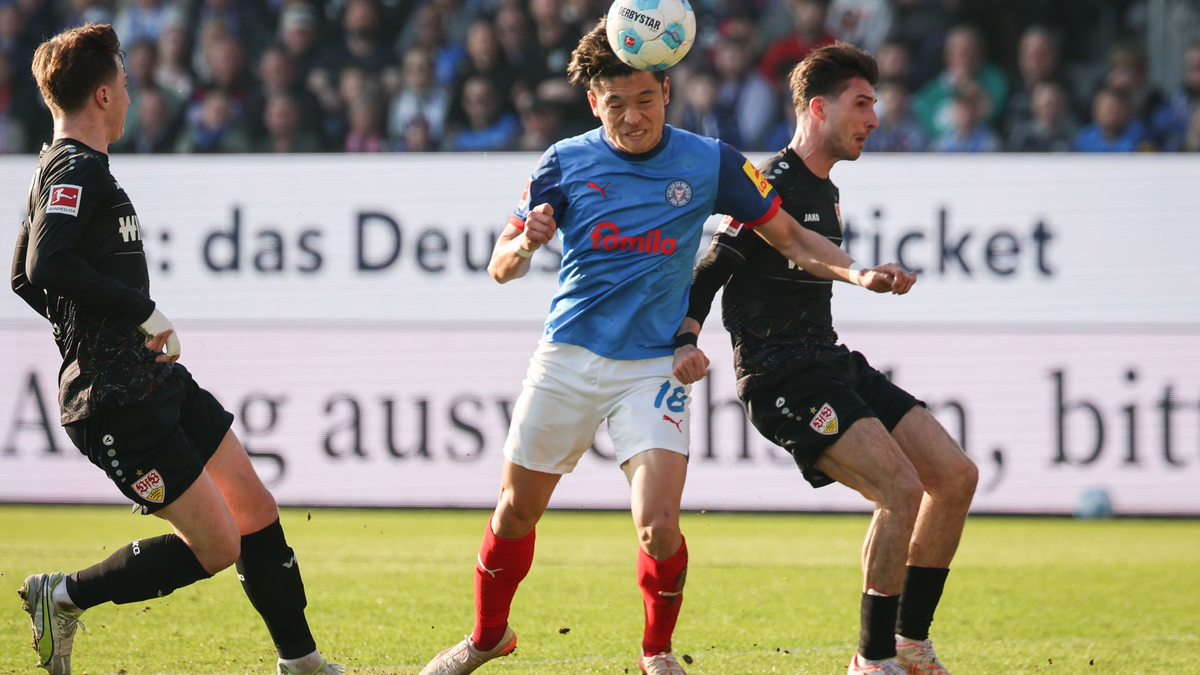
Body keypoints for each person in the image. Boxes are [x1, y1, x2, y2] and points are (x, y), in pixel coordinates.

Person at [417, 20, 909, 675]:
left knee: (659, 524)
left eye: (644, 100)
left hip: (651, 367)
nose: (631, 116)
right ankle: (487, 636)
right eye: (615, 104)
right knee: (514, 511)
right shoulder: (564, 162)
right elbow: (498, 266)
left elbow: (789, 237)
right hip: (567, 355)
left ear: (666, 92)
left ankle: (657, 652)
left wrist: (856, 271)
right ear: (594, 103)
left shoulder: (710, 162)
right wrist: (524, 242)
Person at [9, 24, 342, 675]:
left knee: (255, 508)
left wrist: (95, 330)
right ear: (103, 95)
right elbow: (46, 264)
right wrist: (137, 314)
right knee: (217, 544)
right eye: (127, 84)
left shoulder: (69, 168)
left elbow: (22, 276)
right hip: (113, 397)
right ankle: (64, 594)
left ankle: (301, 661)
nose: (132, 96)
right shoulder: (74, 166)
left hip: (151, 378)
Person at [681, 43, 977, 675]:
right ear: (818, 108)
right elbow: (710, 269)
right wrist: (686, 338)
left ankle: (907, 643)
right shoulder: (767, 183)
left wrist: (868, 275)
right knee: (899, 488)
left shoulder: (830, 194)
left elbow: (821, 262)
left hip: (829, 359)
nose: (875, 117)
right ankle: (871, 663)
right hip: (780, 373)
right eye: (862, 103)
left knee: (953, 477)